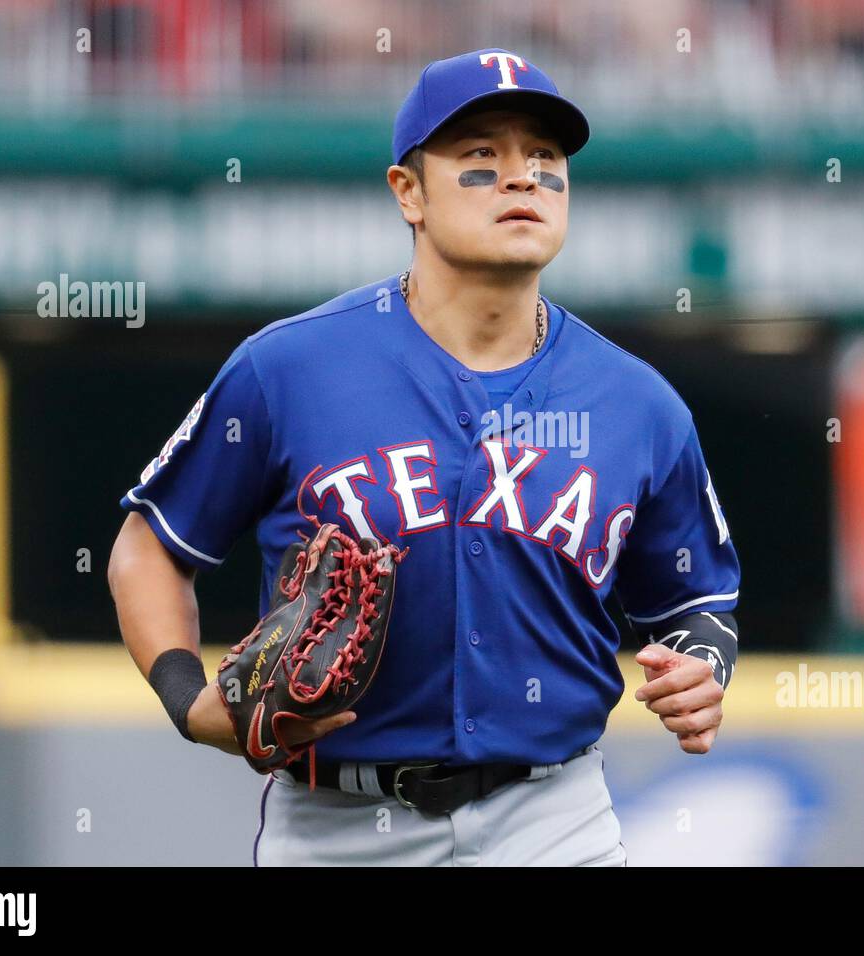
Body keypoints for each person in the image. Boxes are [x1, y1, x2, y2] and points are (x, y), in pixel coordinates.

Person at [108, 48, 740, 867]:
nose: (522, 179)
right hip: (338, 823)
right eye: (481, 160)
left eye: (545, 160)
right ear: (408, 192)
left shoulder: (637, 402)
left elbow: (697, 599)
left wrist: (700, 665)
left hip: (553, 822)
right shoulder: (289, 369)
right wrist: (188, 701)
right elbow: (149, 548)